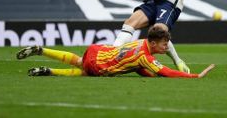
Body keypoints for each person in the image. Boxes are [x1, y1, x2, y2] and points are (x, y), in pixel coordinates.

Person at [16, 25, 215, 78]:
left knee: (78, 61)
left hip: (96, 50)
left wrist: (148, 74)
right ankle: (50, 72)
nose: (166, 47)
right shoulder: (145, 56)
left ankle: (42, 50)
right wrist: (195, 76)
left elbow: (139, 68)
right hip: (99, 66)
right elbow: (165, 71)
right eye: (164, 44)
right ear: (153, 43)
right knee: (84, 72)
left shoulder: (139, 43)